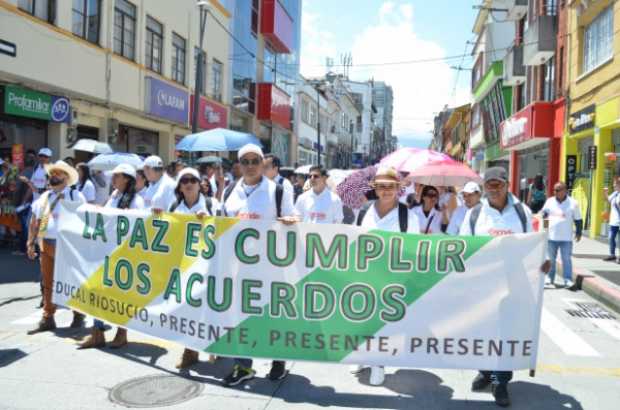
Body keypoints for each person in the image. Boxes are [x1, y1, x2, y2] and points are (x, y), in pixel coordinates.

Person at [460, 167, 550, 408]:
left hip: (513, 284)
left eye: (498, 183)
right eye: (489, 184)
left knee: (506, 333)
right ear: (484, 186)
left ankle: (501, 382)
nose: (493, 188)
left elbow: (535, 243)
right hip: (483, 287)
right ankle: (486, 371)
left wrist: (544, 260)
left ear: (507, 185)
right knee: (482, 331)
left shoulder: (522, 212)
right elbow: (463, 246)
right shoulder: (475, 214)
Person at [220, 143, 295, 387]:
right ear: (239, 165)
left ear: (263, 163)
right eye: (246, 161)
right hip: (239, 267)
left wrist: (292, 222)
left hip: (272, 267)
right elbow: (221, 224)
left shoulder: (279, 191)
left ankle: (279, 360)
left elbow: (292, 222)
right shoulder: (230, 190)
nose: (251, 166)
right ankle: (243, 366)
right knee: (241, 316)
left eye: (255, 161)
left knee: (274, 315)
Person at [354, 167, 420, 385]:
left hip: (393, 280)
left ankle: (379, 363)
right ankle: (365, 356)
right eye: (381, 186)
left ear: (398, 189)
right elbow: (354, 241)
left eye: (390, 186)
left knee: (384, 323)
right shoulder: (363, 211)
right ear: (375, 187)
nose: (386, 190)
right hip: (365, 276)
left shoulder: (407, 216)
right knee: (364, 319)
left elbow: (415, 249)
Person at [78, 164, 144, 349]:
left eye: (117, 176)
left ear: (127, 179)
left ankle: (121, 333)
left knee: (120, 295)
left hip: (123, 255)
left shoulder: (136, 201)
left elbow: (136, 224)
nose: (113, 179)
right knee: (97, 291)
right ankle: (97, 333)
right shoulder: (113, 196)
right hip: (105, 252)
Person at [26, 160, 87, 334]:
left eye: (58, 173)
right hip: (46, 244)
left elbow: (85, 220)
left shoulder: (76, 196)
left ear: (66, 178)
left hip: (68, 247)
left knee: (71, 282)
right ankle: (48, 317)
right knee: (47, 283)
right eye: (52, 173)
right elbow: (34, 221)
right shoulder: (45, 197)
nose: (53, 176)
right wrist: (30, 242)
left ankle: (78, 314)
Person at [169, 167, 220, 369]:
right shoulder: (174, 207)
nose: (188, 183)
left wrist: (209, 219)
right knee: (188, 308)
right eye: (184, 180)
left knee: (210, 309)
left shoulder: (211, 204)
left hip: (209, 265)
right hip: (184, 266)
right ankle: (190, 350)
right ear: (180, 187)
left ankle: (215, 345)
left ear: (200, 184)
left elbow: (225, 229)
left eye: (192, 180)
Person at [542, 182, 583, 287]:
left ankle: (567, 280)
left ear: (565, 190)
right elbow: (545, 217)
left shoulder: (573, 203)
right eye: (554, 190)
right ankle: (549, 279)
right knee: (550, 259)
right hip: (551, 236)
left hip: (566, 238)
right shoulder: (549, 202)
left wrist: (579, 232)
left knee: (566, 259)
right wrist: (544, 230)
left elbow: (578, 219)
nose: (555, 192)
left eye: (558, 190)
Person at [603, 178, 620, 261]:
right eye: (613, 184)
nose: (613, 185)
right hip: (613, 221)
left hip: (619, 222)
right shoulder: (615, 193)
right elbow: (608, 199)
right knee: (611, 238)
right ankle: (612, 254)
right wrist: (605, 193)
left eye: (615, 184)